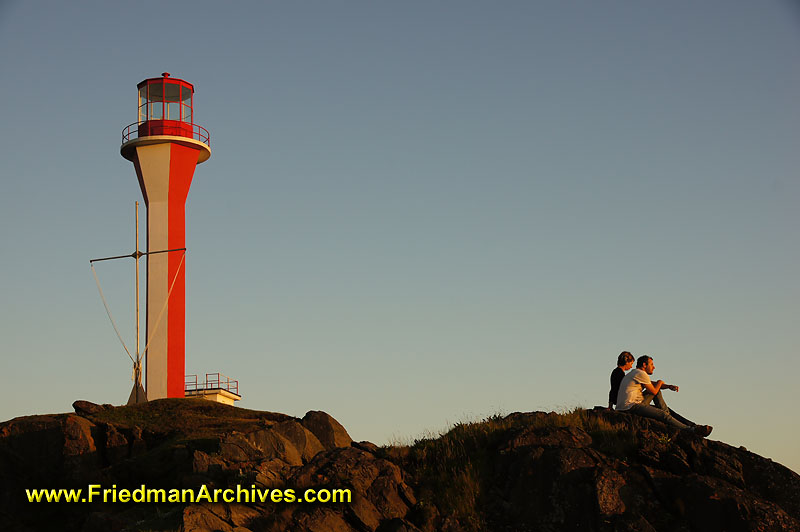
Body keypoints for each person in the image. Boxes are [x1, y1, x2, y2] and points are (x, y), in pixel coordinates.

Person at [616, 355, 713, 437]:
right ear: (644, 365)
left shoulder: (635, 373)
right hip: (630, 407)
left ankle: (694, 426)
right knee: (663, 414)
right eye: (652, 364)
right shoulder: (640, 373)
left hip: (631, 405)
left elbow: (653, 385)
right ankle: (691, 430)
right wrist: (660, 382)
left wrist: (668, 386)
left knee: (666, 409)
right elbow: (654, 391)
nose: (654, 367)